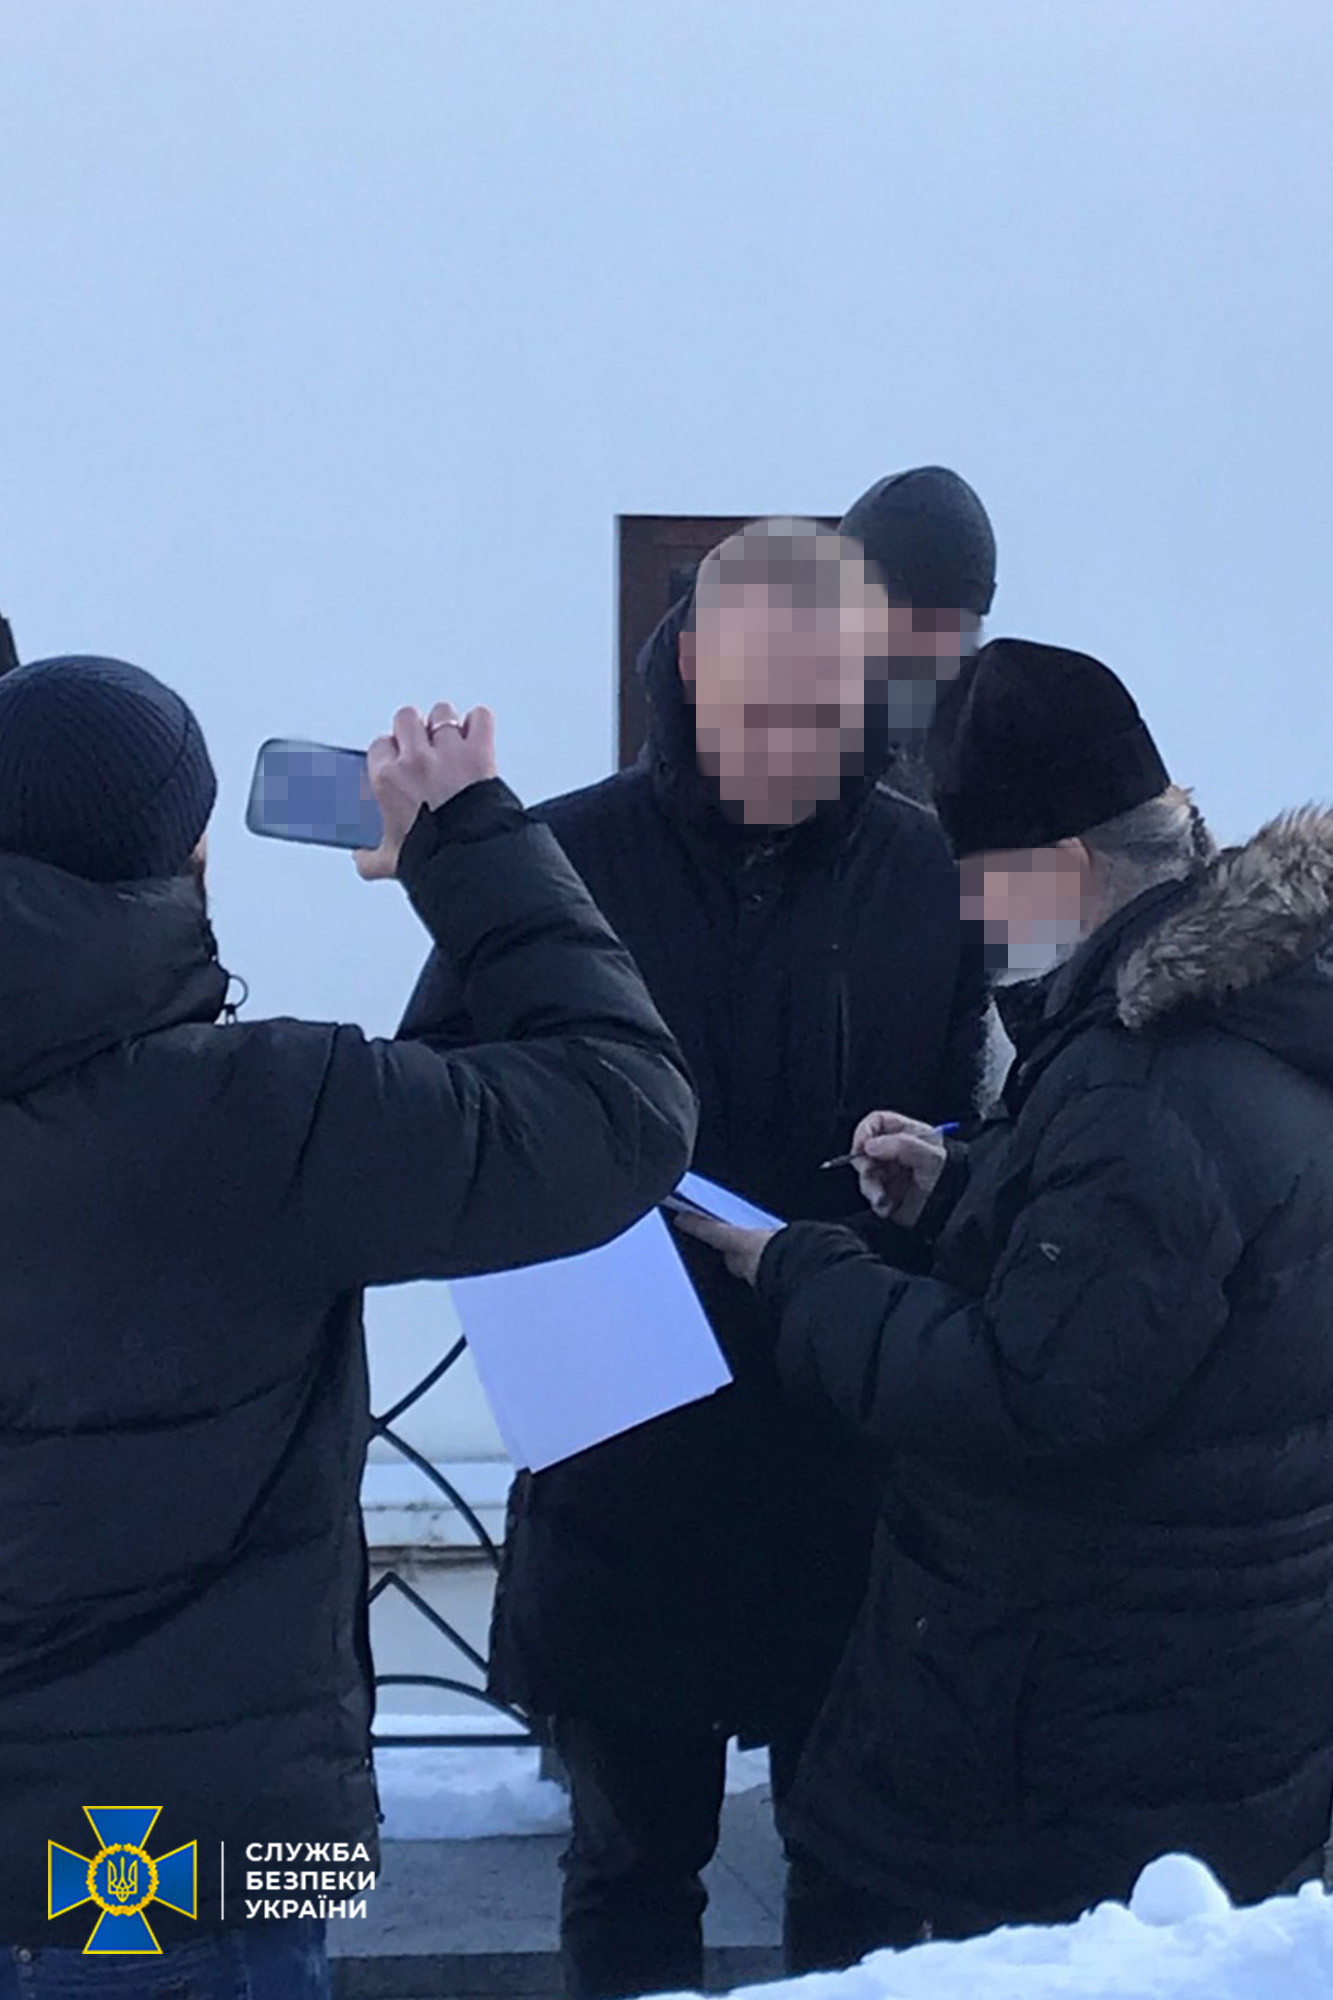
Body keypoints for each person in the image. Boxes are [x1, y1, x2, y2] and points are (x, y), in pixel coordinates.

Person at [0, 656, 695, 1996]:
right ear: (191, 858)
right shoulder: (264, 1116)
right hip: (212, 1854)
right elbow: (622, 1110)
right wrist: (467, 841)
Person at [400, 468, 998, 1999]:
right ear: (687, 670)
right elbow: (437, 1119)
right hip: (623, 1454)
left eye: (827, 717)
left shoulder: (928, 873)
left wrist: (939, 1166)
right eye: (761, 713)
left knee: (855, 1877)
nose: (795, 753)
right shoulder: (559, 859)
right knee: (628, 1876)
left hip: (844, 1462)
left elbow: (1000, 1130)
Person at [680, 636, 1333, 1967]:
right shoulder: (1250, 1014)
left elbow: (1023, 1397)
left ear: (1064, 868)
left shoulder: (1148, 1083)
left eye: (977, 877)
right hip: (1208, 1701)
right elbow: (1160, 1278)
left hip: (1081, 1734)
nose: (971, 915)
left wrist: (802, 1271)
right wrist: (969, 1189)